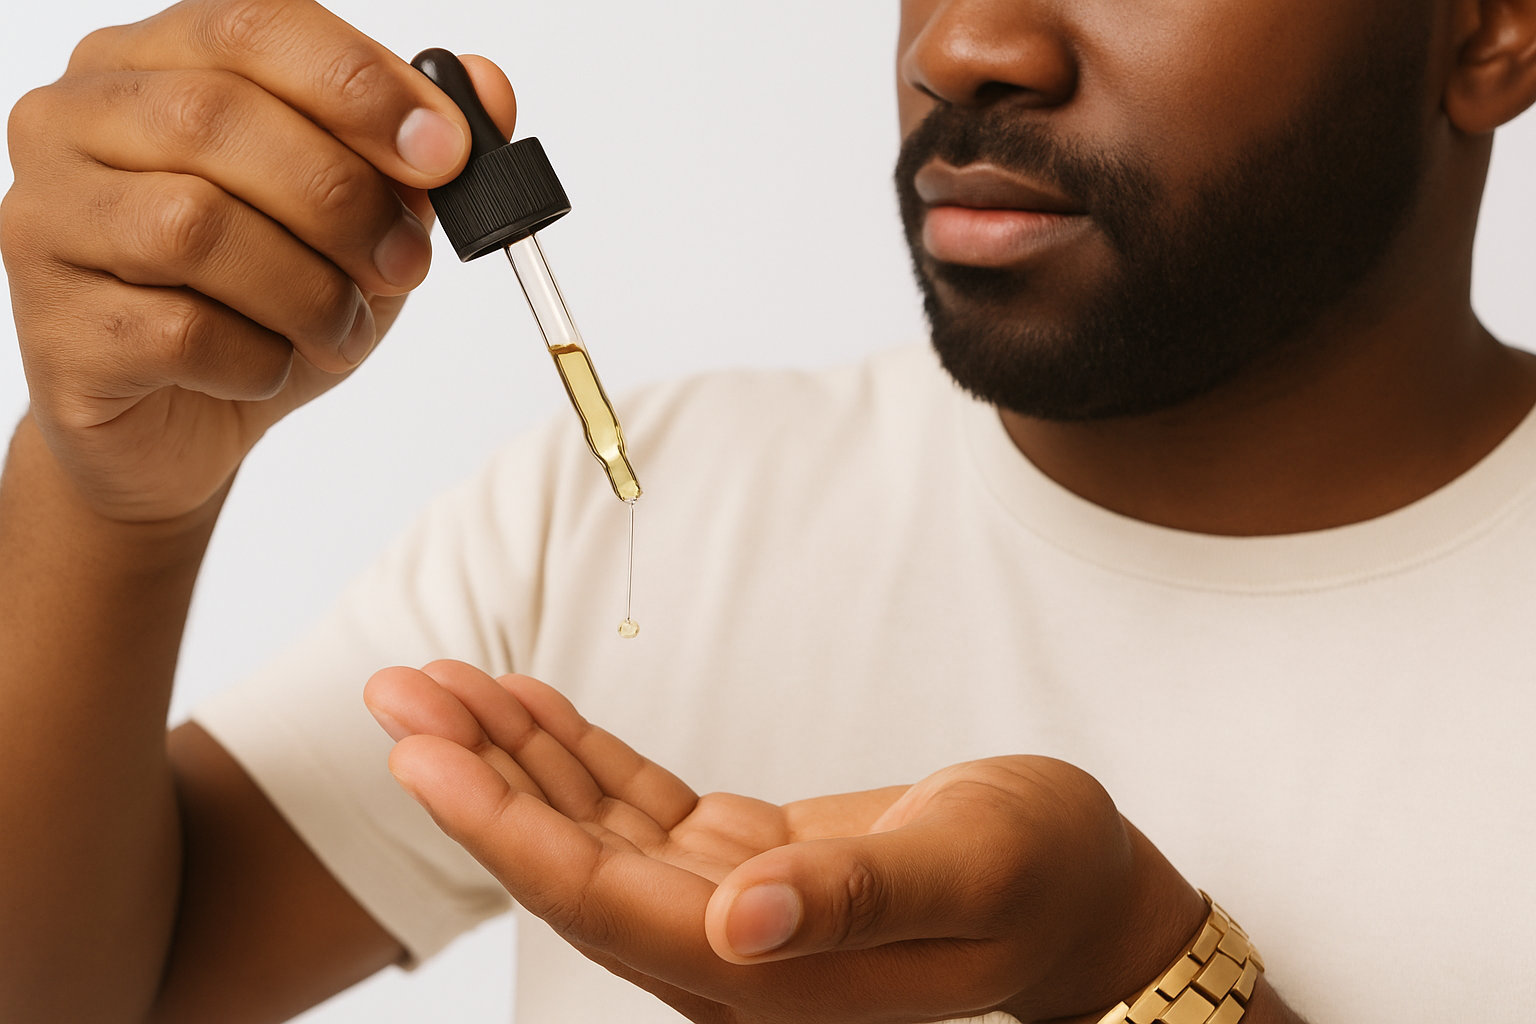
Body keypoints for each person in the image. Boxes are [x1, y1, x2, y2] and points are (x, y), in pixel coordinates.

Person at [2, 0, 1533, 1021]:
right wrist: (109, 506)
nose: (968, 44)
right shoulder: (636, 499)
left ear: (1488, 29)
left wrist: (1142, 975)